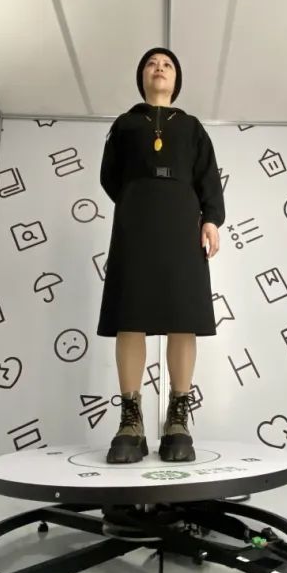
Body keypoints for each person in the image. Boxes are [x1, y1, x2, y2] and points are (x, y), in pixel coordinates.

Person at [97, 47, 225, 464]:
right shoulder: (124, 124)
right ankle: (130, 422)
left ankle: (177, 420)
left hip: (182, 223)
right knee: (129, 315)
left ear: (176, 80)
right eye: (152, 63)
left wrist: (211, 219)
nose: (159, 68)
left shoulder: (191, 126)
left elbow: (208, 175)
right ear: (142, 77)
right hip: (135, 224)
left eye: (167, 64)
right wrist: (139, 197)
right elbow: (110, 176)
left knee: (182, 316)